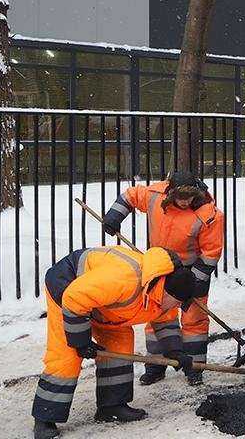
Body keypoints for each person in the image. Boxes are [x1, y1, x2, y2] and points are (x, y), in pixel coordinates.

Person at [32, 246, 196, 439]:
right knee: (67, 357)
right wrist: (81, 342)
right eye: (178, 303)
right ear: (168, 293)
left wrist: (175, 351)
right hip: (68, 287)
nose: (179, 307)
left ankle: (112, 406)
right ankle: (45, 417)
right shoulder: (125, 279)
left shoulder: (162, 290)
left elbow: (165, 320)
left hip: (106, 305)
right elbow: (74, 298)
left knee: (120, 345)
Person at [102, 171, 224, 386]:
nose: (185, 202)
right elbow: (130, 196)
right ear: (170, 193)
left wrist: (194, 283)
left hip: (193, 272)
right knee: (157, 315)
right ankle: (156, 366)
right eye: (180, 197)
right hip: (160, 267)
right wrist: (115, 216)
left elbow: (211, 253)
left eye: (189, 197)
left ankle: (195, 368)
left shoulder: (209, 214)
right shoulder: (154, 197)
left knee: (194, 320)